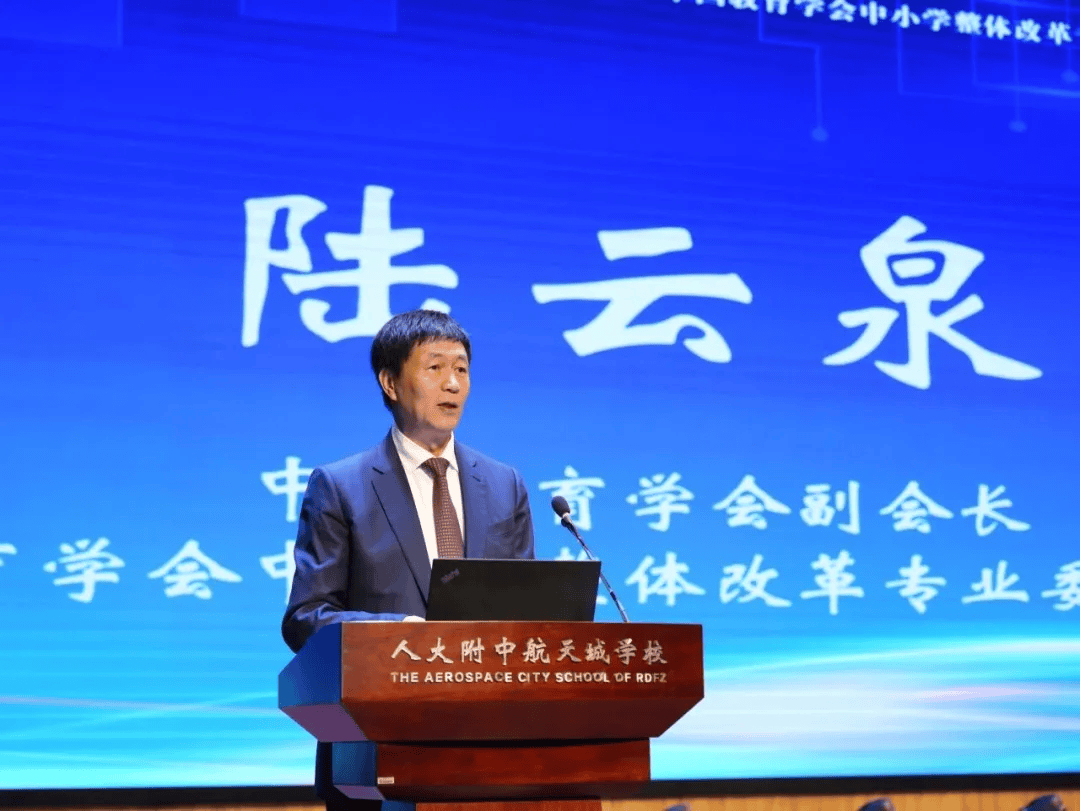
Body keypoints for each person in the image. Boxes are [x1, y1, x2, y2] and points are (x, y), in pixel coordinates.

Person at [282, 309, 536, 810]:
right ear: (390, 382)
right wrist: (401, 634)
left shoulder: (504, 484)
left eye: (461, 369)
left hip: (492, 756)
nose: (453, 384)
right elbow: (306, 618)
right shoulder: (341, 486)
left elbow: (528, 615)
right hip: (374, 756)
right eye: (435, 367)